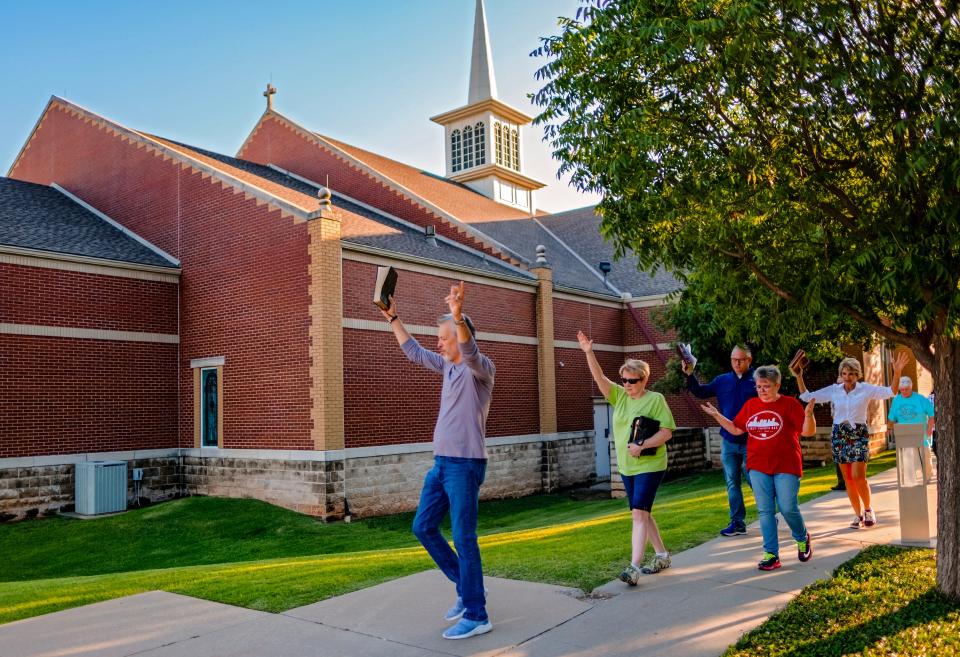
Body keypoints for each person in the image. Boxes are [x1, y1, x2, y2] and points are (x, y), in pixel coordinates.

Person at [381, 281, 495, 640]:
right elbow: (414, 351)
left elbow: (471, 350)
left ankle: (477, 615)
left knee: (464, 537)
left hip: (465, 464)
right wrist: (393, 317)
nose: (439, 343)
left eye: (443, 337)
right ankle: (468, 587)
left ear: (460, 338)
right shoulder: (446, 368)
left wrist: (458, 317)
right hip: (442, 464)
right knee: (423, 527)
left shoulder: (481, 371)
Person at [578, 330, 676, 585]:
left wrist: (642, 445)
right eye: (624, 380)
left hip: (651, 465)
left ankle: (633, 568)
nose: (627, 385)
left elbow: (666, 432)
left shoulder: (656, 400)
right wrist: (589, 352)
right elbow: (599, 377)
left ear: (644, 380)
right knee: (642, 511)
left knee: (638, 514)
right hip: (627, 466)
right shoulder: (619, 396)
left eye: (632, 381)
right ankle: (662, 555)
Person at [701, 365, 816, 571]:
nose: (762, 390)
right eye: (759, 386)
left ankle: (802, 537)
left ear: (777, 385)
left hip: (786, 465)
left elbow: (807, 432)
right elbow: (736, 429)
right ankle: (771, 554)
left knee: (788, 508)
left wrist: (808, 415)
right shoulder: (751, 405)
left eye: (766, 386)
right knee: (765, 512)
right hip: (757, 465)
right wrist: (717, 416)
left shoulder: (790, 404)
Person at [791, 351, 908, 529]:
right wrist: (799, 376)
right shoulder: (834, 390)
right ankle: (858, 515)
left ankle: (868, 510)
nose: (848, 377)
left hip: (858, 433)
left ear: (857, 374)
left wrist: (897, 371)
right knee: (848, 479)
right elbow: (807, 396)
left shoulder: (866, 389)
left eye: (852, 373)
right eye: (844, 373)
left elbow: (891, 391)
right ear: (840, 374)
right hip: (839, 434)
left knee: (858, 476)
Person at [684, 345, 757, 536]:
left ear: (749, 360)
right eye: (734, 359)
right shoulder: (722, 380)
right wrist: (690, 374)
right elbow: (700, 391)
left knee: (755, 482)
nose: (737, 363)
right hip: (729, 441)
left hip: (752, 441)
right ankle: (738, 523)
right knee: (732, 483)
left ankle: (766, 514)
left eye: (740, 359)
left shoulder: (758, 380)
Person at [888, 376, 936, 481]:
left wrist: (929, 429)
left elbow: (932, 415)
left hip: (921, 435)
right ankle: (911, 482)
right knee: (908, 463)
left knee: (925, 461)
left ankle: (927, 477)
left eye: (906, 389)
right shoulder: (896, 401)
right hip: (905, 436)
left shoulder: (921, 399)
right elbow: (891, 418)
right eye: (902, 390)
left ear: (911, 387)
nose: (904, 392)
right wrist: (889, 428)